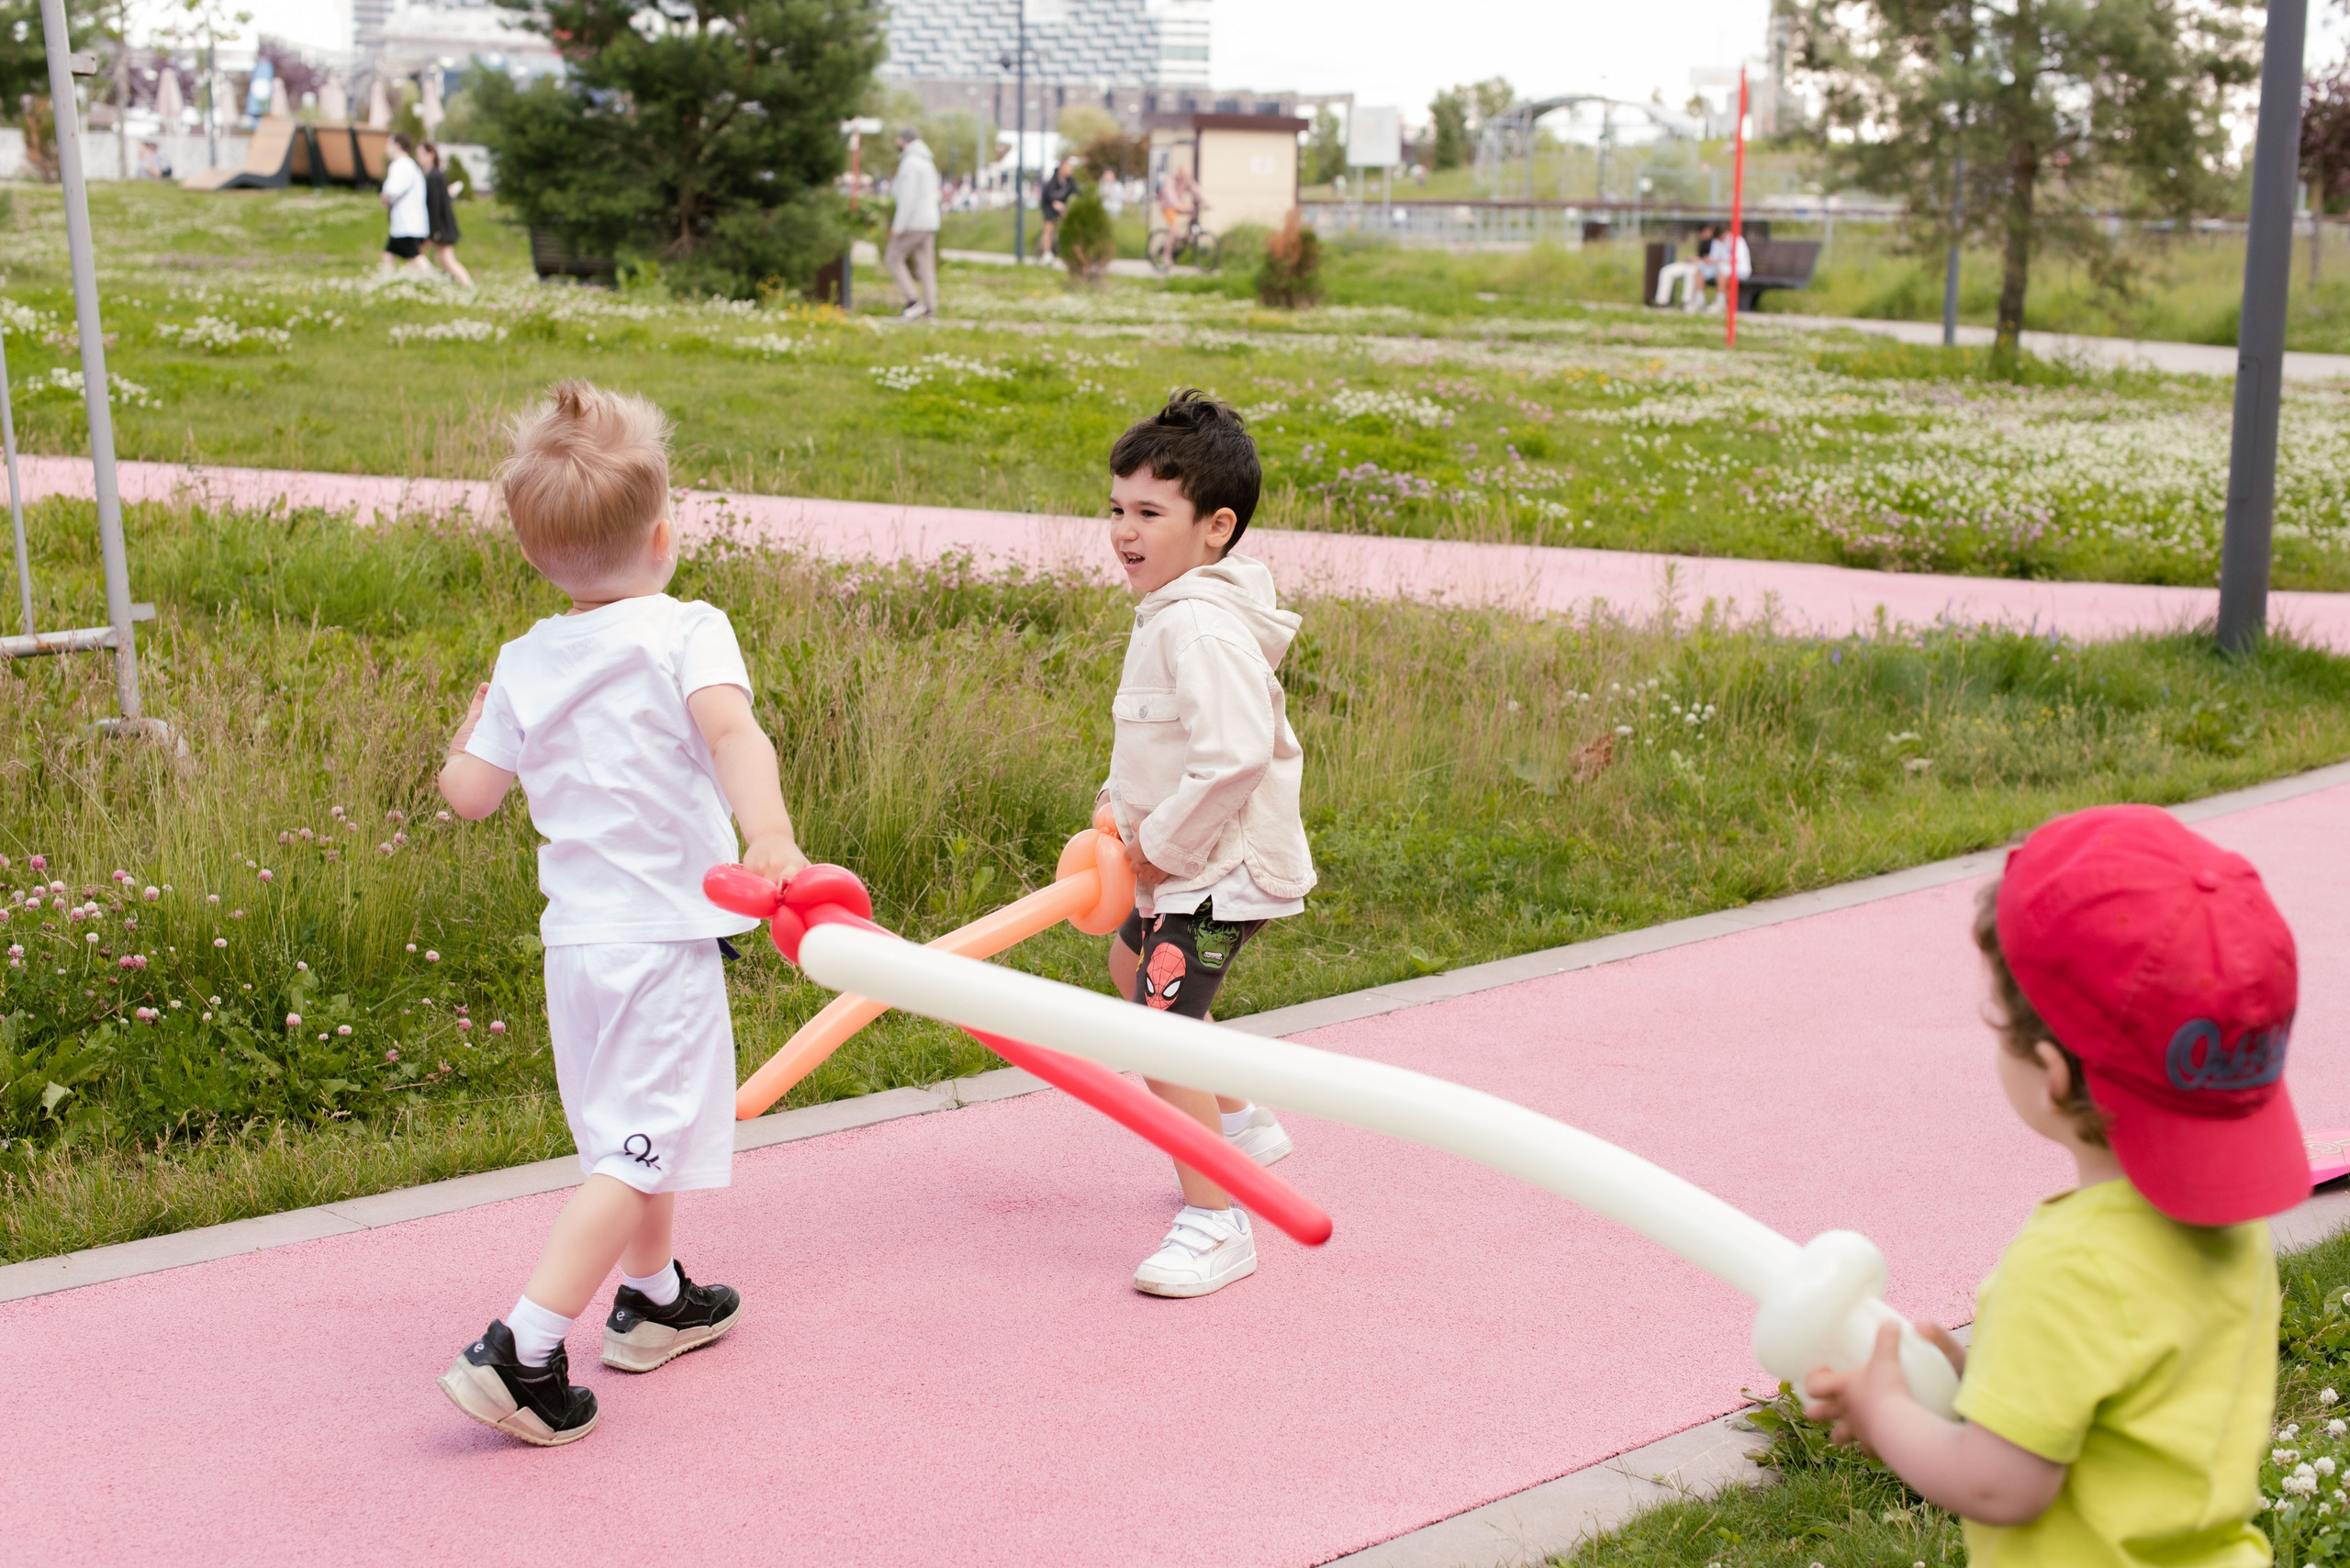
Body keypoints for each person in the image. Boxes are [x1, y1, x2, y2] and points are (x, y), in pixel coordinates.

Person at [433, 381, 811, 1446]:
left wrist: (486, 707)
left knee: (631, 1129)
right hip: (660, 938)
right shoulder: (687, 628)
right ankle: (523, 1346)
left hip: (578, 945)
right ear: (662, 534)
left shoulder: (524, 657)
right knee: (638, 1146)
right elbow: (735, 737)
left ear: (530, 550)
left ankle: (651, 1299)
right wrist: (769, 838)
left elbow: (468, 794)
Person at [1805, 804, 2301, 1561]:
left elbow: (2005, 1486)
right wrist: (1988, 1385)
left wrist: (1885, 1413)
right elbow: (2127, 1401)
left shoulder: (2068, 1266)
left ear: (2052, 1075)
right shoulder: (2229, 1225)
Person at [1098, 390, 1316, 1299]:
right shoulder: (1168, 611)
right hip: (1180, 864)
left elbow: (1228, 759)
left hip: (1218, 873)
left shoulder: (1199, 624)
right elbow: (1163, 744)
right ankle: (1242, 1120)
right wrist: (1115, 810)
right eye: (1116, 509)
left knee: (1161, 1027)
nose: (1123, 532)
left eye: (1150, 513)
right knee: (1127, 968)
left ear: (1216, 526)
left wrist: (1151, 847)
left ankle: (1217, 1219)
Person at [887, 126, 941, 320]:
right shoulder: (927, 162)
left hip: (914, 222)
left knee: (892, 257)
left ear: (903, 141)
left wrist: (898, 226)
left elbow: (908, 198)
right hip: (930, 221)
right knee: (926, 266)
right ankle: (931, 309)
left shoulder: (910, 163)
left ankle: (913, 302)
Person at [418, 142, 473, 289]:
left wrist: (433, 231)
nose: (419, 158)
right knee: (443, 260)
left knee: (446, 261)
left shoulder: (434, 176)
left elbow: (435, 206)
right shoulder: (436, 175)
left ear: (431, 155)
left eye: (421, 154)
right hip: (442, 227)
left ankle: (468, 286)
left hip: (441, 228)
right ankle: (457, 285)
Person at [377, 132, 431, 275]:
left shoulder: (400, 165)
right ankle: (385, 281)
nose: (386, 148)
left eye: (389, 144)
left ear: (397, 145)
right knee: (388, 255)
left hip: (406, 223)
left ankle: (436, 280)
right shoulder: (410, 165)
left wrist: (384, 196)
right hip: (407, 223)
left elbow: (392, 190)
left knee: (415, 258)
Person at [1652, 224, 1716, 309]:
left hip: (1703, 267)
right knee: (1666, 270)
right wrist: (1692, 259)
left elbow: (1712, 259)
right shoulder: (1702, 242)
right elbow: (1698, 256)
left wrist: (1700, 260)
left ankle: (1686, 302)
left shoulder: (1715, 243)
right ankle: (1661, 301)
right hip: (1693, 264)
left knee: (1691, 272)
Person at [1695, 228, 1752, 313]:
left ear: (1725, 233)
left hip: (1740, 268)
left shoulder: (1737, 240)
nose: (1720, 240)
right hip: (1722, 267)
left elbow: (1735, 260)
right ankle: (1699, 300)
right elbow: (1714, 257)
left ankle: (1721, 302)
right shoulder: (1717, 241)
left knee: (1722, 269)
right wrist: (1708, 260)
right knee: (1701, 268)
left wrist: (1716, 261)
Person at [1038, 155, 1080, 263]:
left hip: (1062, 207)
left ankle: (1069, 249)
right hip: (1048, 206)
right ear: (1061, 168)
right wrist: (1054, 203)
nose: (1070, 170)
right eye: (1068, 168)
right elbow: (1047, 194)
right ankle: (1047, 253)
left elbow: (1078, 192)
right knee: (1049, 226)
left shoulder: (1070, 181)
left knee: (1070, 224)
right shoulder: (1053, 179)